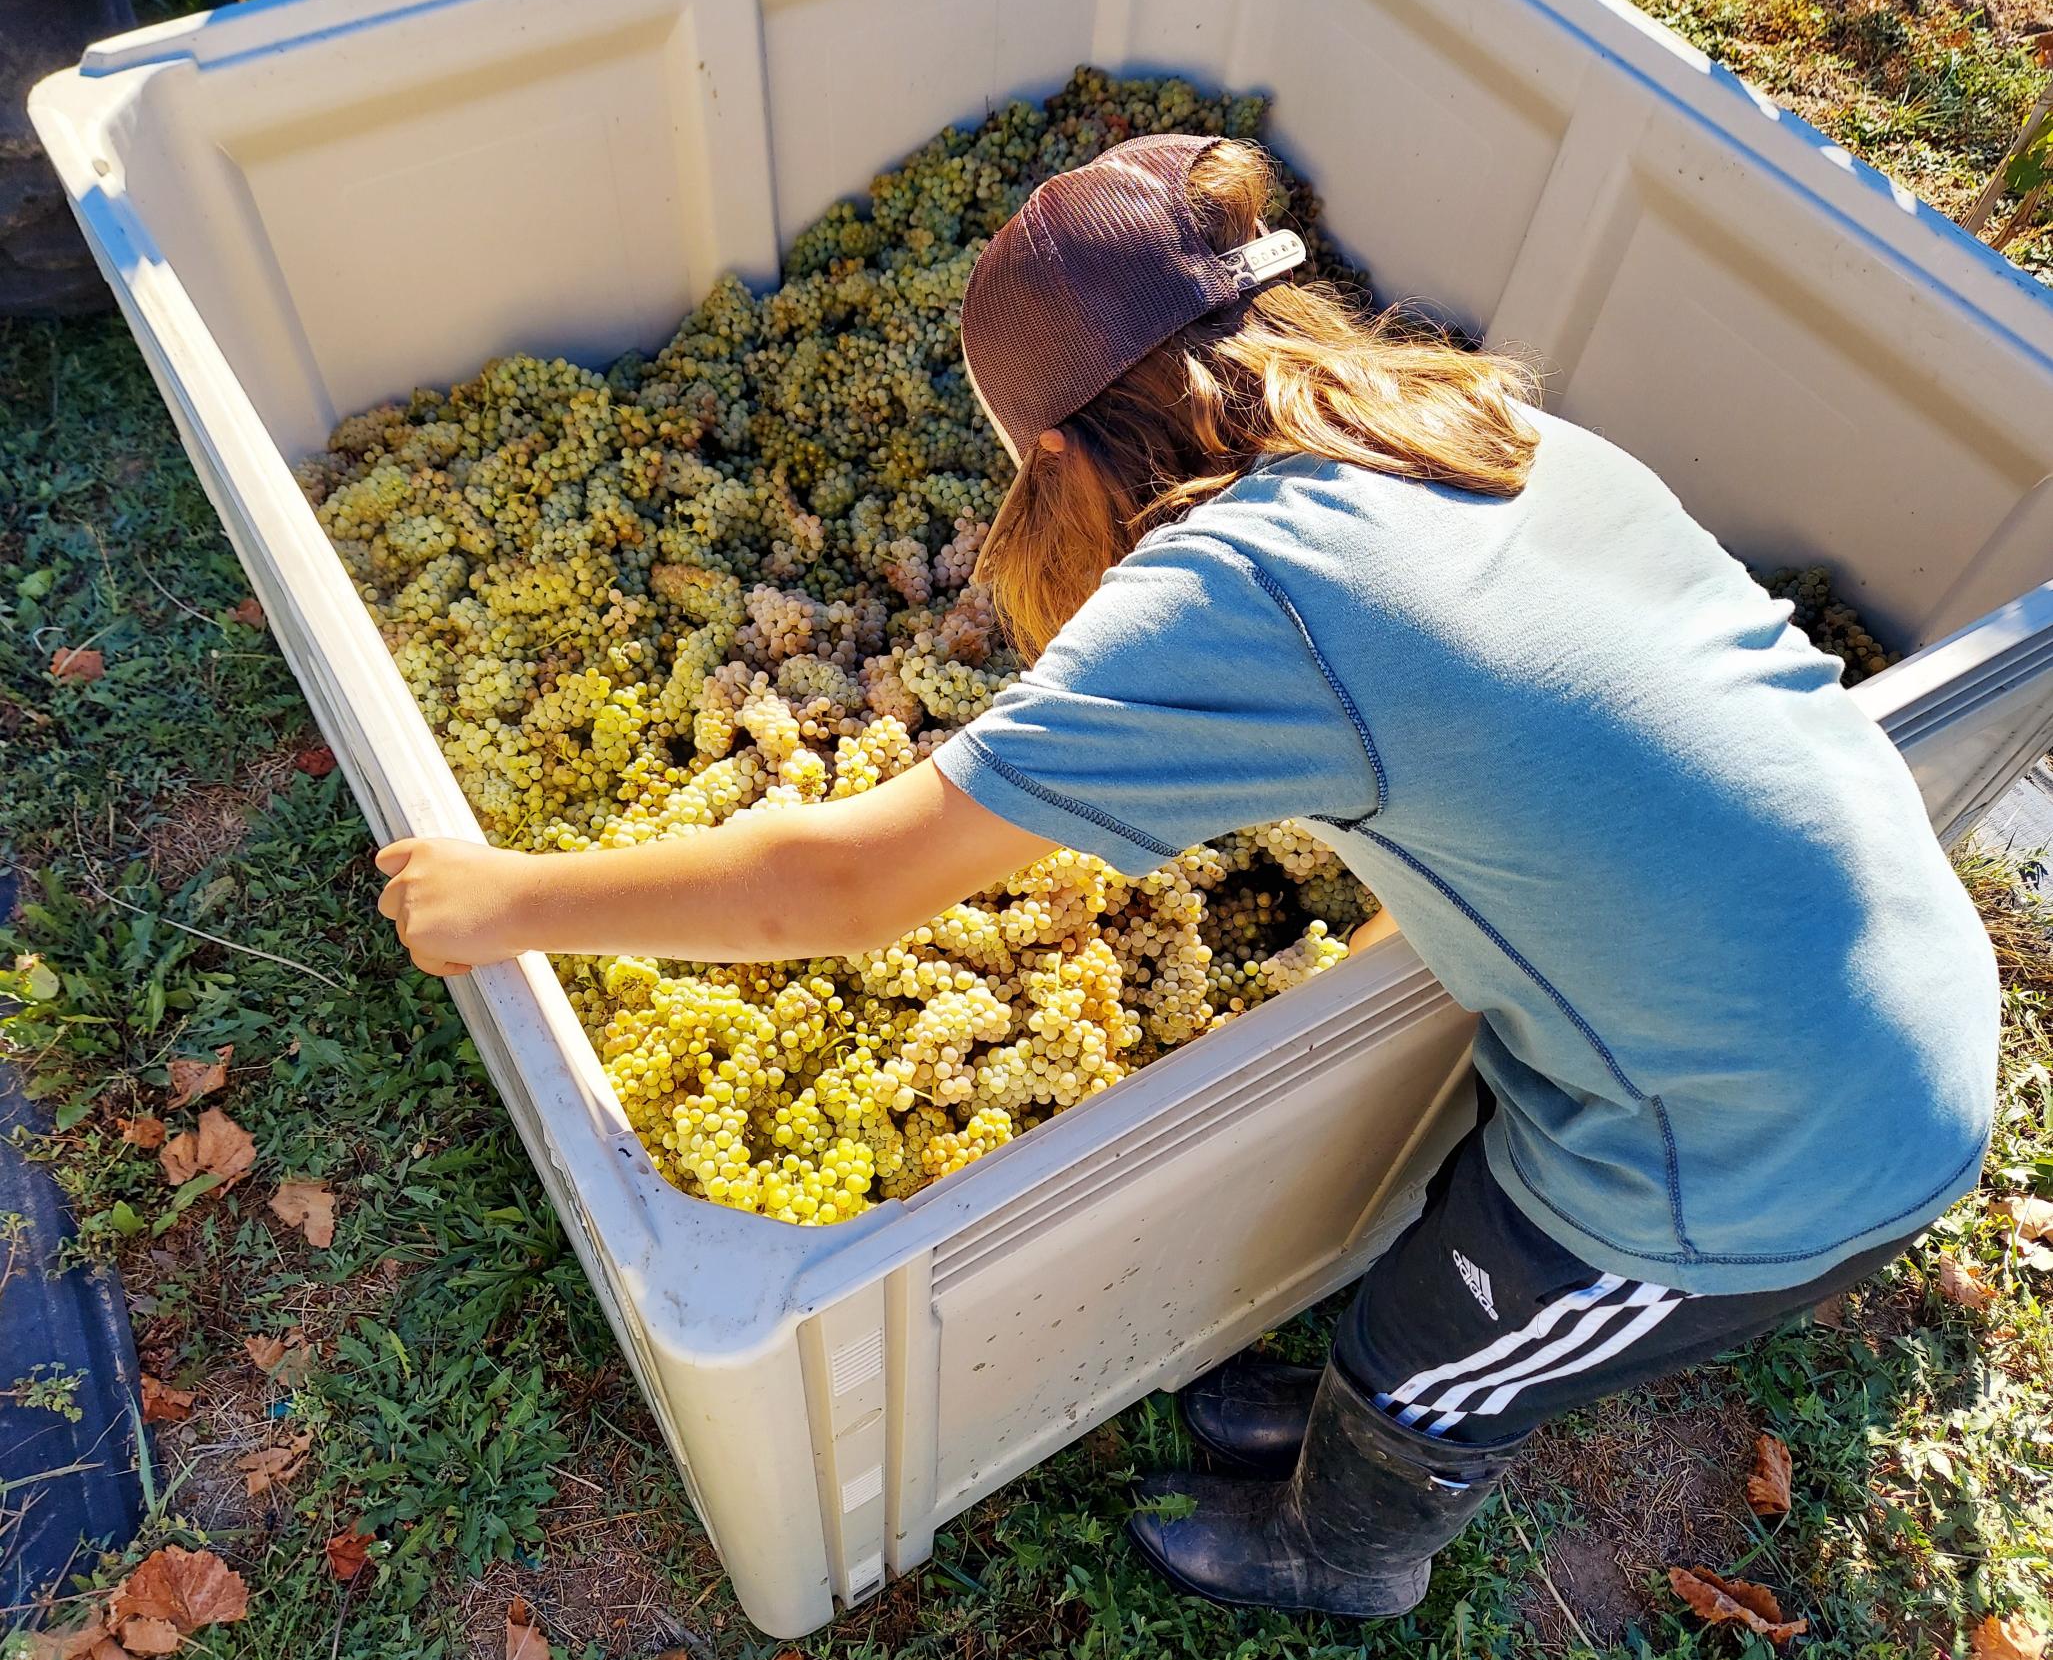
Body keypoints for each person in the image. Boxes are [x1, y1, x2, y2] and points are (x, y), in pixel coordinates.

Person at [370, 135, 1998, 1619]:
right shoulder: (1481, 430)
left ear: (1057, 453)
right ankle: (1370, 1401)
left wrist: (508, 898)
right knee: (1451, 1240)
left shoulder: (1248, 592)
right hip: (1884, 960)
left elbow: (842, 888)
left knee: (1442, 1338)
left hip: (1775, 1154)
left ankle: (1348, 1548)